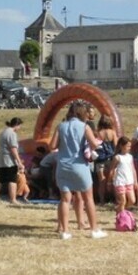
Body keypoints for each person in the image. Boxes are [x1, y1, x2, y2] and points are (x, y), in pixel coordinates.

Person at [49, 101, 107, 240]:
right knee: (88, 199)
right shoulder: (84, 127)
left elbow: (52, 146)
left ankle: (65, 231)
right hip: (79, 165)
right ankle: (94, 229)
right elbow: (94, 144)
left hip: (63, 166)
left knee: (64, 199)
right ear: (82, 113)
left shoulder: (60, 126)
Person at [0, 117, 25, 204]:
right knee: (12, 179)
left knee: (0, 179)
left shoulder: (3, 132)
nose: (19, 128)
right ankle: (13, 199)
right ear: (17, 125)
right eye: (19, 126)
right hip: (9, 160)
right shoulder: (12, 134)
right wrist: (19, 162)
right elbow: (13, 149)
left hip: (1, 159)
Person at [108, 137, 138, 215]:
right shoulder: (117, 157)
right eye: (127, 146)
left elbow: (133, 169)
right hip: (120, 181)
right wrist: (109, 182)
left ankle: (121, 211)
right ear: (121, 146)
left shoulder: (130, 157)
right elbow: (112, 170)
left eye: (130, 146)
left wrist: (135, 181)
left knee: (132, 200)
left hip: (129, 181)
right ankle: (121, 216)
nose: (129, 148)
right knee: (123, 201)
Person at [94, 114, 118, 204]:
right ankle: (114, 198)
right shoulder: (112, 132)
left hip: (100, 159)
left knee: (101, 181)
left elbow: (95, 145)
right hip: (110, 159)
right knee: (112, 179)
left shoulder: (98, 133)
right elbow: (116, 145)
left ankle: (102, 200)